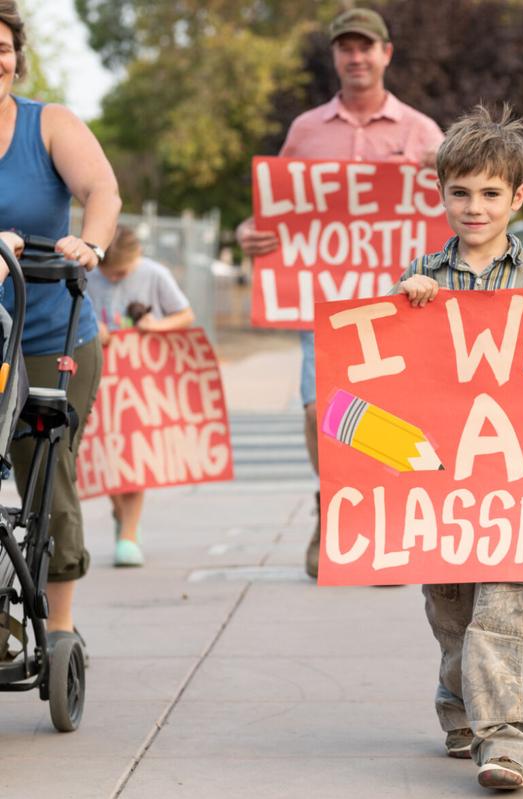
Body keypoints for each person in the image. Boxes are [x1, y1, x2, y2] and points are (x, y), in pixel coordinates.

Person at [389, 106, 523, 791]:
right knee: (452, 613)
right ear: (442, 194)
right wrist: (406, 300)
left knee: (501, 606)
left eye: (491, 193)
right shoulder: (422, 273)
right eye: (461, 192)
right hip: (440, 479)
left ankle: (507, 742)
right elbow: (384, 367)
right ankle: (460, 709)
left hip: (513, 480)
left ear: (518, 197)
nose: (475, 207)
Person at [235, 7, 443, 579]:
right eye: (346, 48)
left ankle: (379, 525)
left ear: (385, 54)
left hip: (399, 306)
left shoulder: (422, 130)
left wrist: (442, 165)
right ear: (335, 57)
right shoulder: (306, 130)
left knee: (391, 417)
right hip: (323, 303)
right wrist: (249, 233)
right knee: (316, 412)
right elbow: (276, 206)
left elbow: (464, 206)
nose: (356, 57)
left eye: (366, 47)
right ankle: (335, 505)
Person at [0, 1, 121, 654]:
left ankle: (59, 624)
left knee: (44, 466)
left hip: (48, 332)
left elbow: (101, 190)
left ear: (17, 55)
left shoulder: (49, 125)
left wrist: (90, 244)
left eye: (2, 47)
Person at [87, 225, 195, 567]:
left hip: (140, 379)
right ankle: (122, 516)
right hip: (99, 377)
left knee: (132, 454)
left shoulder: (155, 274)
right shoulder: (86, 275)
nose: (116, 279)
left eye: (123, 273)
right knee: (106, 453)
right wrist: (91, 328)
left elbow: (185, 314)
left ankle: (129, 533)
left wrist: (156, 327)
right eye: (111, 273)